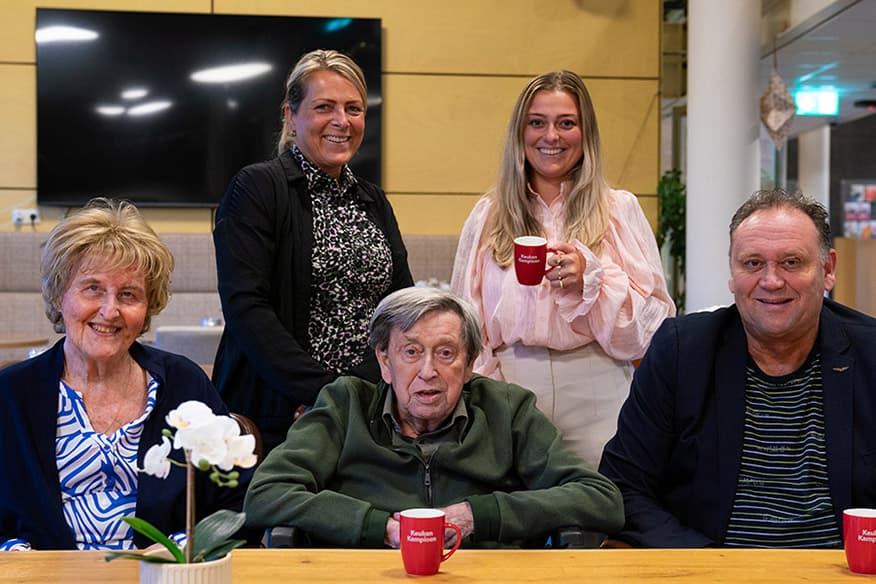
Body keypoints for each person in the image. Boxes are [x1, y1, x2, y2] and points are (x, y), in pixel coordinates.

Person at [599, 189, 876, 548]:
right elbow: (623, 486)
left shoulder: (870, 353)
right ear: (732, 272)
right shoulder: (682, 351)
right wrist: (711, 565)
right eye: (752, 263)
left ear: (828, 270)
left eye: (791, 262)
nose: (771, 281)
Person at [243, 287, 623, 548]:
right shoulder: (346, 405)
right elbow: (266, 493)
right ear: (384, 361)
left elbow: (600, 499)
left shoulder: (507, 410)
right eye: (410, 352)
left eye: (446, 353)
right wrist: (382, 528)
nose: (428, 371)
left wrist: (478, 516)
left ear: (470, 363)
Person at [451, 70, 674, 466]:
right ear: (520, 133)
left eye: (566, 123)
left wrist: (594, 281)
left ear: (585, 134)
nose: (550, 136)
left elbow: (650, 330)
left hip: (598, 389)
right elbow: (465, 321)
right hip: (509, 387)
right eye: (537, 122)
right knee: (515, 520)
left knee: (603, 516)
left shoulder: (619, 210)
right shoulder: (488, 215)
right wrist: (489, 395)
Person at [0, 198, 249, 551]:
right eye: (93, 289)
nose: (110, 310)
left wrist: (182, 550)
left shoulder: (183, 384)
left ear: (148, 307)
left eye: (129, 294)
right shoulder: (11, 394)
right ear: (59, 297)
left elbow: (236, 503)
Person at [212, 49, 413, 454]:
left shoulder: (373, 199)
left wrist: (360, 391)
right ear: (291, 115)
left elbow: (402, 309)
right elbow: (247, 308)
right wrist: (325, 394)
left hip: (369, 413)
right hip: (280, 417)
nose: (342, 121)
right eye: (325, 107)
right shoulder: (257, 188)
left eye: (353, 109)